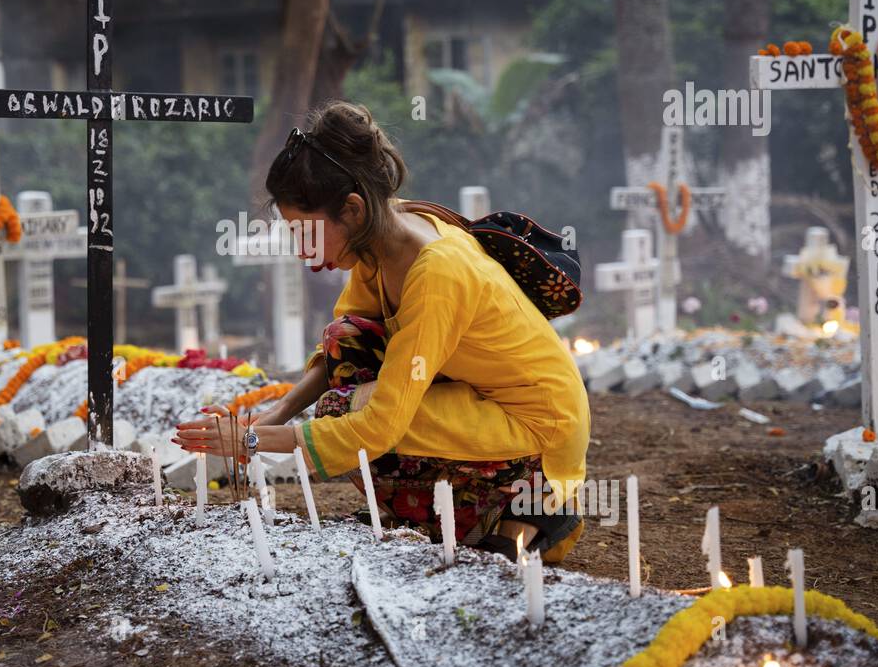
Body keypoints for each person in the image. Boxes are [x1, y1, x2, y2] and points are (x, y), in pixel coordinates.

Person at [173, 101, 590, 562]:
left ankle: (530, 510)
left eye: (304, 232)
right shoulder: (384, 234)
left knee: (340, 415)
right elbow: (339, 353)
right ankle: (433, 513)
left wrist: (252, 443)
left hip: (538, 425)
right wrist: (269, 418)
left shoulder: (436, 272)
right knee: (344, 341)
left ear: (350, 209)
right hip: (478, 397)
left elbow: (381, 425)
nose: (301, 251)